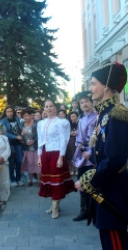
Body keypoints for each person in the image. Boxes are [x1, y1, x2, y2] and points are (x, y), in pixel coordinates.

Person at [75, 62, 128, 249]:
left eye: (93, 83)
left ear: (105, 86)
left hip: (113, 192)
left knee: (116, 244)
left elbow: (115, 158)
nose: (90, 88)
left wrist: (89, 178)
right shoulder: (104, 113)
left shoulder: (116, 114)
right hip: (106, 189)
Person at [37, 99, 76, 219]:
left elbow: (64, 139)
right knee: (49, 180)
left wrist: (61, 157)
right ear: (44, 108)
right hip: (45, 153)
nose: (49, 108)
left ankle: (55, 208)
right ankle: (54, 204)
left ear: (55, 107)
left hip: (56, 152)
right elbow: (40, 140)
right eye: (46, 106)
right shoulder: (41, 123)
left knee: (56, 180)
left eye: (51, 106)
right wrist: (39, 156)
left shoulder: (62, 122)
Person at [72, 92, 97, 221]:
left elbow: (99, 138)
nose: (85, 104)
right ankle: (84, 210)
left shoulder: (97, 118)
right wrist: (81, 150)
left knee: (92, 184)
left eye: (87, 101)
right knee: (81, 184)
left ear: (92, 102)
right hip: (82, 155)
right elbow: (78, 139)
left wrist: (91, 152)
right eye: (82, 102)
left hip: (92, 156)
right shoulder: (81, 119)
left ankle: (94, 212)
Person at [1, 105, 24, 187]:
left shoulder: (16, 118)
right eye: (8, 111)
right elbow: (5, 133)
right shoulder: (3, 121)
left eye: (11, 111)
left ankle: (18, 179)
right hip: (9, 143)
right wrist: (15, 136)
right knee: (11, 162)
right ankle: (12, 179)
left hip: (18, 143)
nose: (10, 113)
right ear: (5, 112)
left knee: (20, 161)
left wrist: (21, 134)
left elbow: (19, 128)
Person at [20, 109, 40, 186]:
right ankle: (30, 180)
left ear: (30, 115)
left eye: (27, 115)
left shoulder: (36, 123)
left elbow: (40, 135)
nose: (26, 117)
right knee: (29, 164)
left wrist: (34, 141)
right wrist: (24, 142)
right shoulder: (22, 125)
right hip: (27, 148)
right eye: (24, 116)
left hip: (36, 147)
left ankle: (39, 181)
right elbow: (20, 136)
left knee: (38, 164)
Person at [65, 111, 79, 175]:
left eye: (74, 116)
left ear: (77, 116)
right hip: (70, 141)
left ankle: (77, 170)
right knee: (70, 155)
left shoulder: (80, 123)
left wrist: (76, 133)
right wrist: (70, 133)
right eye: (72, 116)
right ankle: (71, 169)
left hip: (78, 140)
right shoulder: (68, 124)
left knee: (77, 155)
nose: (73, 117)